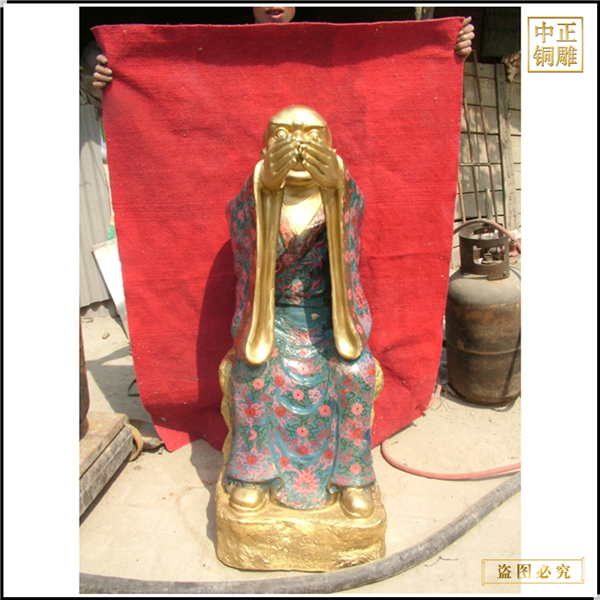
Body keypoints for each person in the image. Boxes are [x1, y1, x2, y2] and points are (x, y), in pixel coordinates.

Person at [222, 105, 380, 517]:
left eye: (311, 136)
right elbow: (243, 245)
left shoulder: (342, 196)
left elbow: (350, 251)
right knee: (253, 372)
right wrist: (264, 191)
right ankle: (255, 474)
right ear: (264, 148)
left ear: (330, 148)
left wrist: (337, 189)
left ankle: (351, 477)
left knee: (356, 372)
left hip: (328, 320)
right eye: (283, 135)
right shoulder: (252, 198)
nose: (297, 145)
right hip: (270, 319)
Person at [92, 10, 474, 88]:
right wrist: (114, 79)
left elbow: (384, 84)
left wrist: (445, 53)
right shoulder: (219, 57)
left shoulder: (329, 51)